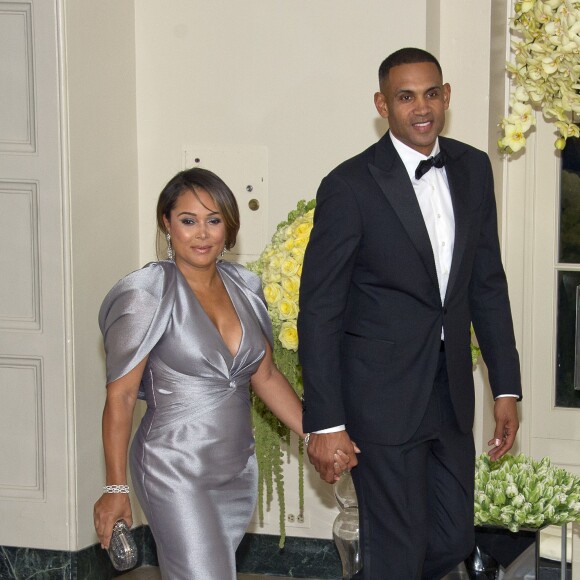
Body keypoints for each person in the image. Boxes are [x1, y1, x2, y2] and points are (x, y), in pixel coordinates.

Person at [297, 48, 522, 579]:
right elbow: (320, 310)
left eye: (430, 93)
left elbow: (486, 283)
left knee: (451, 538)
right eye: (405, 97)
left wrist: (505, 386)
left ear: (446, 96)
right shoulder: (349, 186)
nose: (421, 108)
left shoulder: (471, 168)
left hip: (449, 394)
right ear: (383, 104)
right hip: (379, 398)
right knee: (396, 550)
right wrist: (325, 422)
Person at [93, 167, 350, 579]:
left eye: (213, 221)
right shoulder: (148, 293)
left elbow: (264, 375)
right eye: (188, 220)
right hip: (173, 467)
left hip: (235, 469)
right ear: (166, 223)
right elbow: (120, 398)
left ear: (229, 227)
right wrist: (115, 488)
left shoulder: (243, 286)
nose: (202, 234)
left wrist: (320, 434)